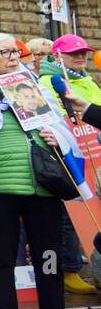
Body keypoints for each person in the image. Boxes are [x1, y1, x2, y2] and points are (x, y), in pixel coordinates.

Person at [0, 32, 93, 309]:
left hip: (43, 187)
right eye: (5, 51)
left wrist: (55, 136)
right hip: (0, 187)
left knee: (49, 260)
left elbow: (63, 128)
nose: (14, 56)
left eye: (16, 50)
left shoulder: (32, 85)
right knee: (1, 260)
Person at [38, 33, 100, 295]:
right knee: (71, 213)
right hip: (69, 155)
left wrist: (87, 110)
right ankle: (70, 268)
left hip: (95, 152)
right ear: (57, 56)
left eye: (83, 52)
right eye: (73, 53)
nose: (80, 57)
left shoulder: (87, 80)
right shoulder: (45, 82)